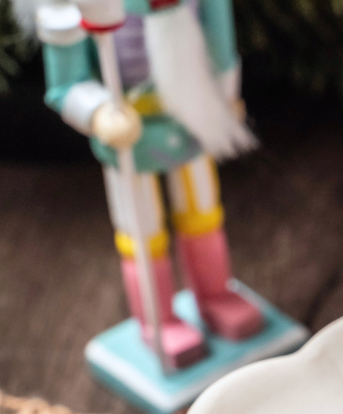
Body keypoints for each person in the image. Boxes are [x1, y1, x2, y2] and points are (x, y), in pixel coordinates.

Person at [36, 0, 264, 367]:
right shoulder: (70, 8)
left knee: (202, 215)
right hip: (128, 139)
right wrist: (98, 113)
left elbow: (219, 43)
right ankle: (158, 320)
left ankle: (216, 295)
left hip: (193, 121)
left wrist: (225, 94)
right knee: (142, 235)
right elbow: (65, 85)